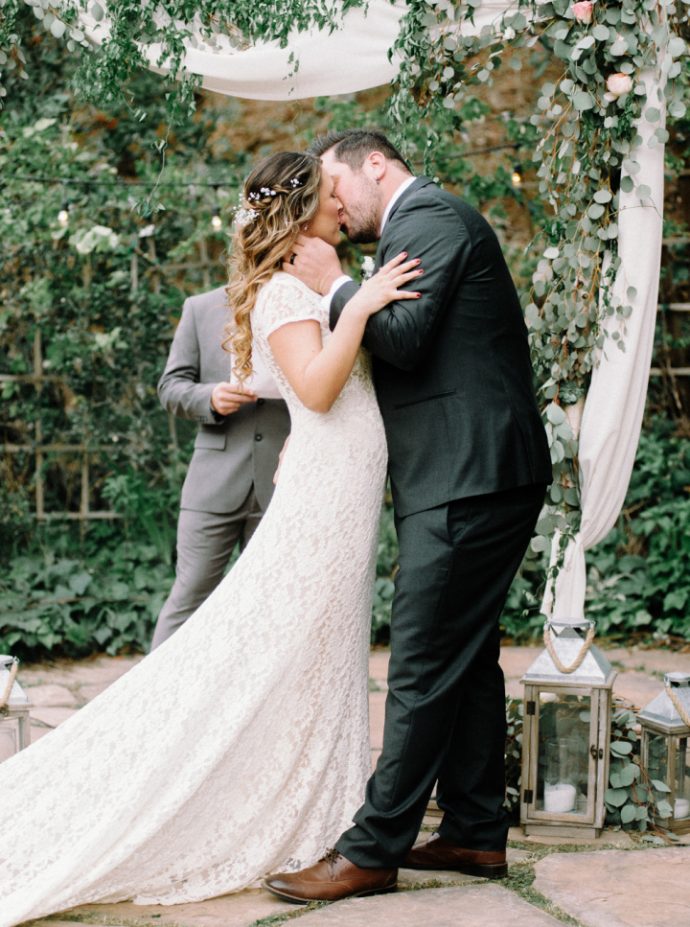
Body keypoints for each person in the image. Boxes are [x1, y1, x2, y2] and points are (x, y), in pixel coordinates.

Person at [0, 151, 423, 927]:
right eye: (330, 192)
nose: (342, 200)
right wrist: (360, 305)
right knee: (267, 641)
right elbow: (321, 386)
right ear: (301, 213)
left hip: (337, 481)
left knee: (321, 649)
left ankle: (318, 803)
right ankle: (289, 805)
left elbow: (310, 401)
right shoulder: (290, 289)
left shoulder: (303, 282)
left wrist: (346, 313)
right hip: (328, 494)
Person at [263, 129, 552, 904]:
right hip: (468, 471)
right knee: (465, 656)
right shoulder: (414, 225)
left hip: (469, 472)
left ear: (376, 166)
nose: (331, 204)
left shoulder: (427, 218)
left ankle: (371, 849)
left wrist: (332, 284)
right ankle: (473, 829)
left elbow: (404, 338)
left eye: (334, 186)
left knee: (421, 656)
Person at [150, 286, 290, 650]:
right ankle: (157, 702)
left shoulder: (300, 301)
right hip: (212, 481)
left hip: (284, 478)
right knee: (188, 597)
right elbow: (170, 386)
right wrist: (208, 397)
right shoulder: (200, 308)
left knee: (270, 607)